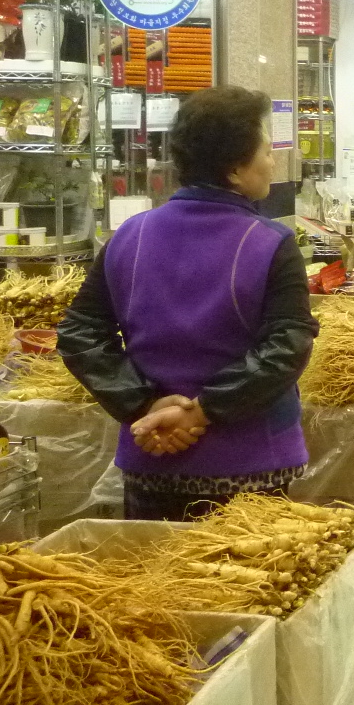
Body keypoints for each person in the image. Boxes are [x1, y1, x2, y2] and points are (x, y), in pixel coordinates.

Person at [59, 86, 318, 521]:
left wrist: (144, 405)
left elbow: (79, 333)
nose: (273, 162)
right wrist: (201, 412)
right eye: (266, 151)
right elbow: (288, 345)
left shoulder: (129, 235)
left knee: (154, 564)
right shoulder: (271, 242)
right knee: (248, 566)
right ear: (235, 169)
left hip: (153, 449)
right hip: (251, 459)